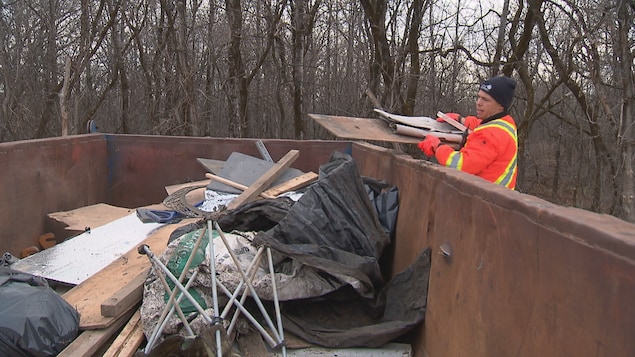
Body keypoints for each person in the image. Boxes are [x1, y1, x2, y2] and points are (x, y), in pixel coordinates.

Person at [418, 76, 518, 189]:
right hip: (496, 199)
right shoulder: (506, 123)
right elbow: (481, 124)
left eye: (485, 99)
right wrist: (461, 120)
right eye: (478, 97)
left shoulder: (490, 134)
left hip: (485, 201)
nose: (478, 103)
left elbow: (460, 165)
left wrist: (437, 146)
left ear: (500, 105)